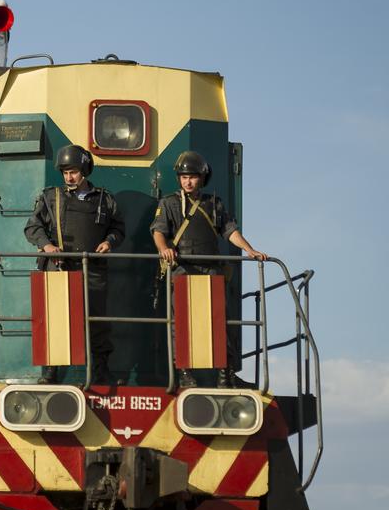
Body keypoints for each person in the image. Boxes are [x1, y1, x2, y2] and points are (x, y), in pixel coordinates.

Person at [151, 150, 267, 388]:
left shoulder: (214, 204)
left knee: (218, 322)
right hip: (182, 269)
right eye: (183, 177)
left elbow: (230, 231)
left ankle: (225, 373)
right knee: (181, 323)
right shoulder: (169, 203)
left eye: (192, 176)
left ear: (201, 178)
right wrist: (164, 249)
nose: (188, 181)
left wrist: (249, 249)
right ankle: (184, 373)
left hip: (211, 270)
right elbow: (158, 231)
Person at [24, 145, 125, 385]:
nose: (69, 177)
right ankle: (50, 373)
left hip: (93, 269)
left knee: (97, 321)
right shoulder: (51, 197)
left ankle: (101, 372)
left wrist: (110, 242)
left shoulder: (105, 198)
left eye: (74, 172)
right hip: (59, 268)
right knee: (56, 320)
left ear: (85, 171)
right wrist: (47, 246)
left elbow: (118, 228)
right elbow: (32, 227)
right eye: (66, 172)